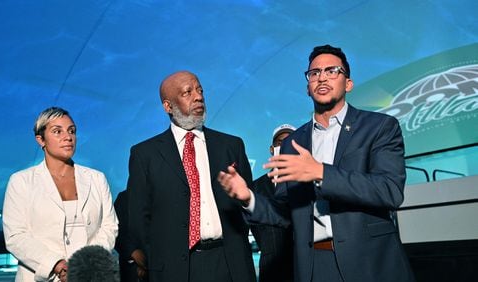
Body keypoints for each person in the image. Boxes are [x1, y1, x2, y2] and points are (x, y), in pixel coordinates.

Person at [218, 45, 415, 282]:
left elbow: (389, 191)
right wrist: (248, 198)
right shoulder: (293, 143)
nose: (322, 77)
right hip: (314, 267)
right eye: (314, 73)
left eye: (332, 71)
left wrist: (321, 173)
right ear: (308, 88)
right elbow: (286, 213)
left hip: (370, 263)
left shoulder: (379, 127)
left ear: (348, 83)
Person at [127, 70, 256, 282]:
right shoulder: (145, 155)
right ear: (168, 106)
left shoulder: (231, 146)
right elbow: (139, 219)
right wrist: (159, 261)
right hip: (175, 270)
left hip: (230, 263)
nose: (198, 97)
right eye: (188, 92)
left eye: (200, 90)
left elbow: (251, 205)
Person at [3, 107, 118, 282]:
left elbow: (110, 226)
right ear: (40, 140)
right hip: (39, 277)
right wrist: (57, 265)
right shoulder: (21, 181)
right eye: (57, 131)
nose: (68, 137)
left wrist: (83, 265)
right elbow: (15, 236)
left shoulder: (96, 178)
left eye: (71, 131)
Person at [250, 124, 295, 282]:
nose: (284, 146)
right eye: (279, 142)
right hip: (272, 271)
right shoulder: (255, 187)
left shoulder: (308, 183)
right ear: (271, 149)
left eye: (289, 141)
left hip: (304, 268)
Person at [114, 190, 147, 281]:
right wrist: (133, 252)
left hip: (159, 267)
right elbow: (116, 231)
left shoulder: (161, 197)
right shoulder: (123, 198)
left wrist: (148, 264)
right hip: (131, 270)